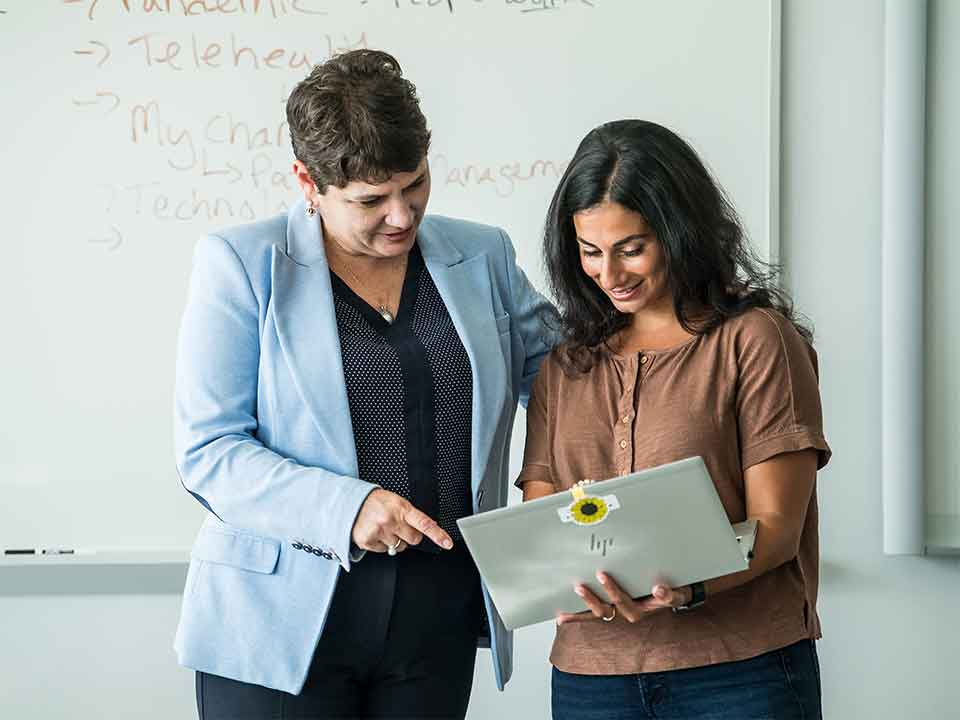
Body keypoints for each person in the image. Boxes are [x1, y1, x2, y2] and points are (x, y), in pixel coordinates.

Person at [173, 49, 554, 719]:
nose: (402, 216)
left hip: (437, 612)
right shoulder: (242, 264)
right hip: (279, 620)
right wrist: (348, 508)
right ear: (308, 182)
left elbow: (573, 379)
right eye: (371, 200)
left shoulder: (483, 254)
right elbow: (210, 451)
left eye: (416, 184)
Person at [518, 119, 831, 719]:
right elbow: (544, 522)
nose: (610, 276)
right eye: (590, 252)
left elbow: (776, 528)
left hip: (738, 671)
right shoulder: (564, 367)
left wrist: (688, 588)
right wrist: (559, 576)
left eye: (632, 249)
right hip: (592, 679)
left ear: (681, 232)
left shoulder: (755, 341)